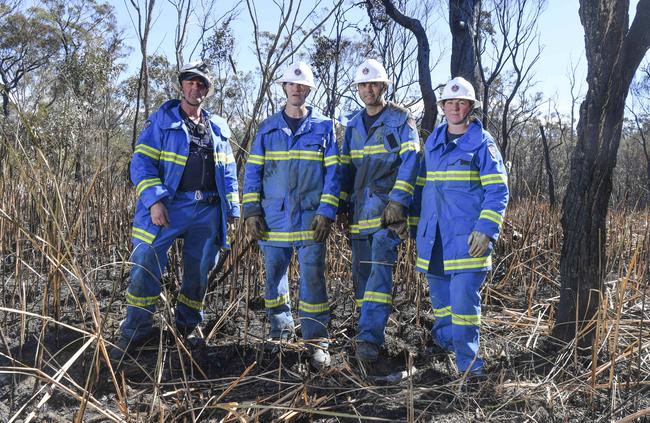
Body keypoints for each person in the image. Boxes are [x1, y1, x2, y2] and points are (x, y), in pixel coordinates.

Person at [110, 61, 240, 361]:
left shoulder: (217, 127)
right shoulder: (161, 120)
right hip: (170, 205)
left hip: (208, 208)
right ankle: (136, 329)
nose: (196, 88)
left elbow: (229, 171)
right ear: (182, 85)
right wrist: (154, 201)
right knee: (145, 258)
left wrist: (232, 209)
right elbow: (141, 164)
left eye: (202, 84)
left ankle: (188, 325)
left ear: (207, 90)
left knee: (200, 268)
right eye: (191, 82)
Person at [242, 62, 340, 369]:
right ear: (284, 88)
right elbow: (253, 172)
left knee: (313, 279)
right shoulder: (267, 128)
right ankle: (280, 333)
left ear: (309, 90)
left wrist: (326, 211)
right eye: (291, 85)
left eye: (302, 86)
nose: (297, 89)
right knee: (274, 277)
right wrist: (251, 210)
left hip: (311, 221)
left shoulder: (325, 127)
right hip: (273, 220)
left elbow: (334, 174)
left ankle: (316, 342)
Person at [413, 76, 509, 377]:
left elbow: (498, 191)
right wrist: (414, 226)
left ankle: (470, 369)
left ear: (470, 107)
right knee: (441, 306)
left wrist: (486, 230)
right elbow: (422, 188)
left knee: (464, 306)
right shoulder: (433, 142)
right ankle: (444, 346)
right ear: (443, 106)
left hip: (469, 241)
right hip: (435, 241)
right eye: (450, 103)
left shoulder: (482, 144)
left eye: (461, 102)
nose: (455, 107)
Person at [339, 59, 420, 363]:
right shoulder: (353, 124)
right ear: (357, 89)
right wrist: (341, 205)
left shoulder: (401, 120)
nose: (368, 89)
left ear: (384, 86)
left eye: (374, 84)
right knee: (362, 276)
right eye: (362, 84)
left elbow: (411, 161)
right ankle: (366, 326)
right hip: (360, 212)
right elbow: (345, 168)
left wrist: (399, 201)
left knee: (378, 275)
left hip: (388, 214)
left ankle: (370, 339)